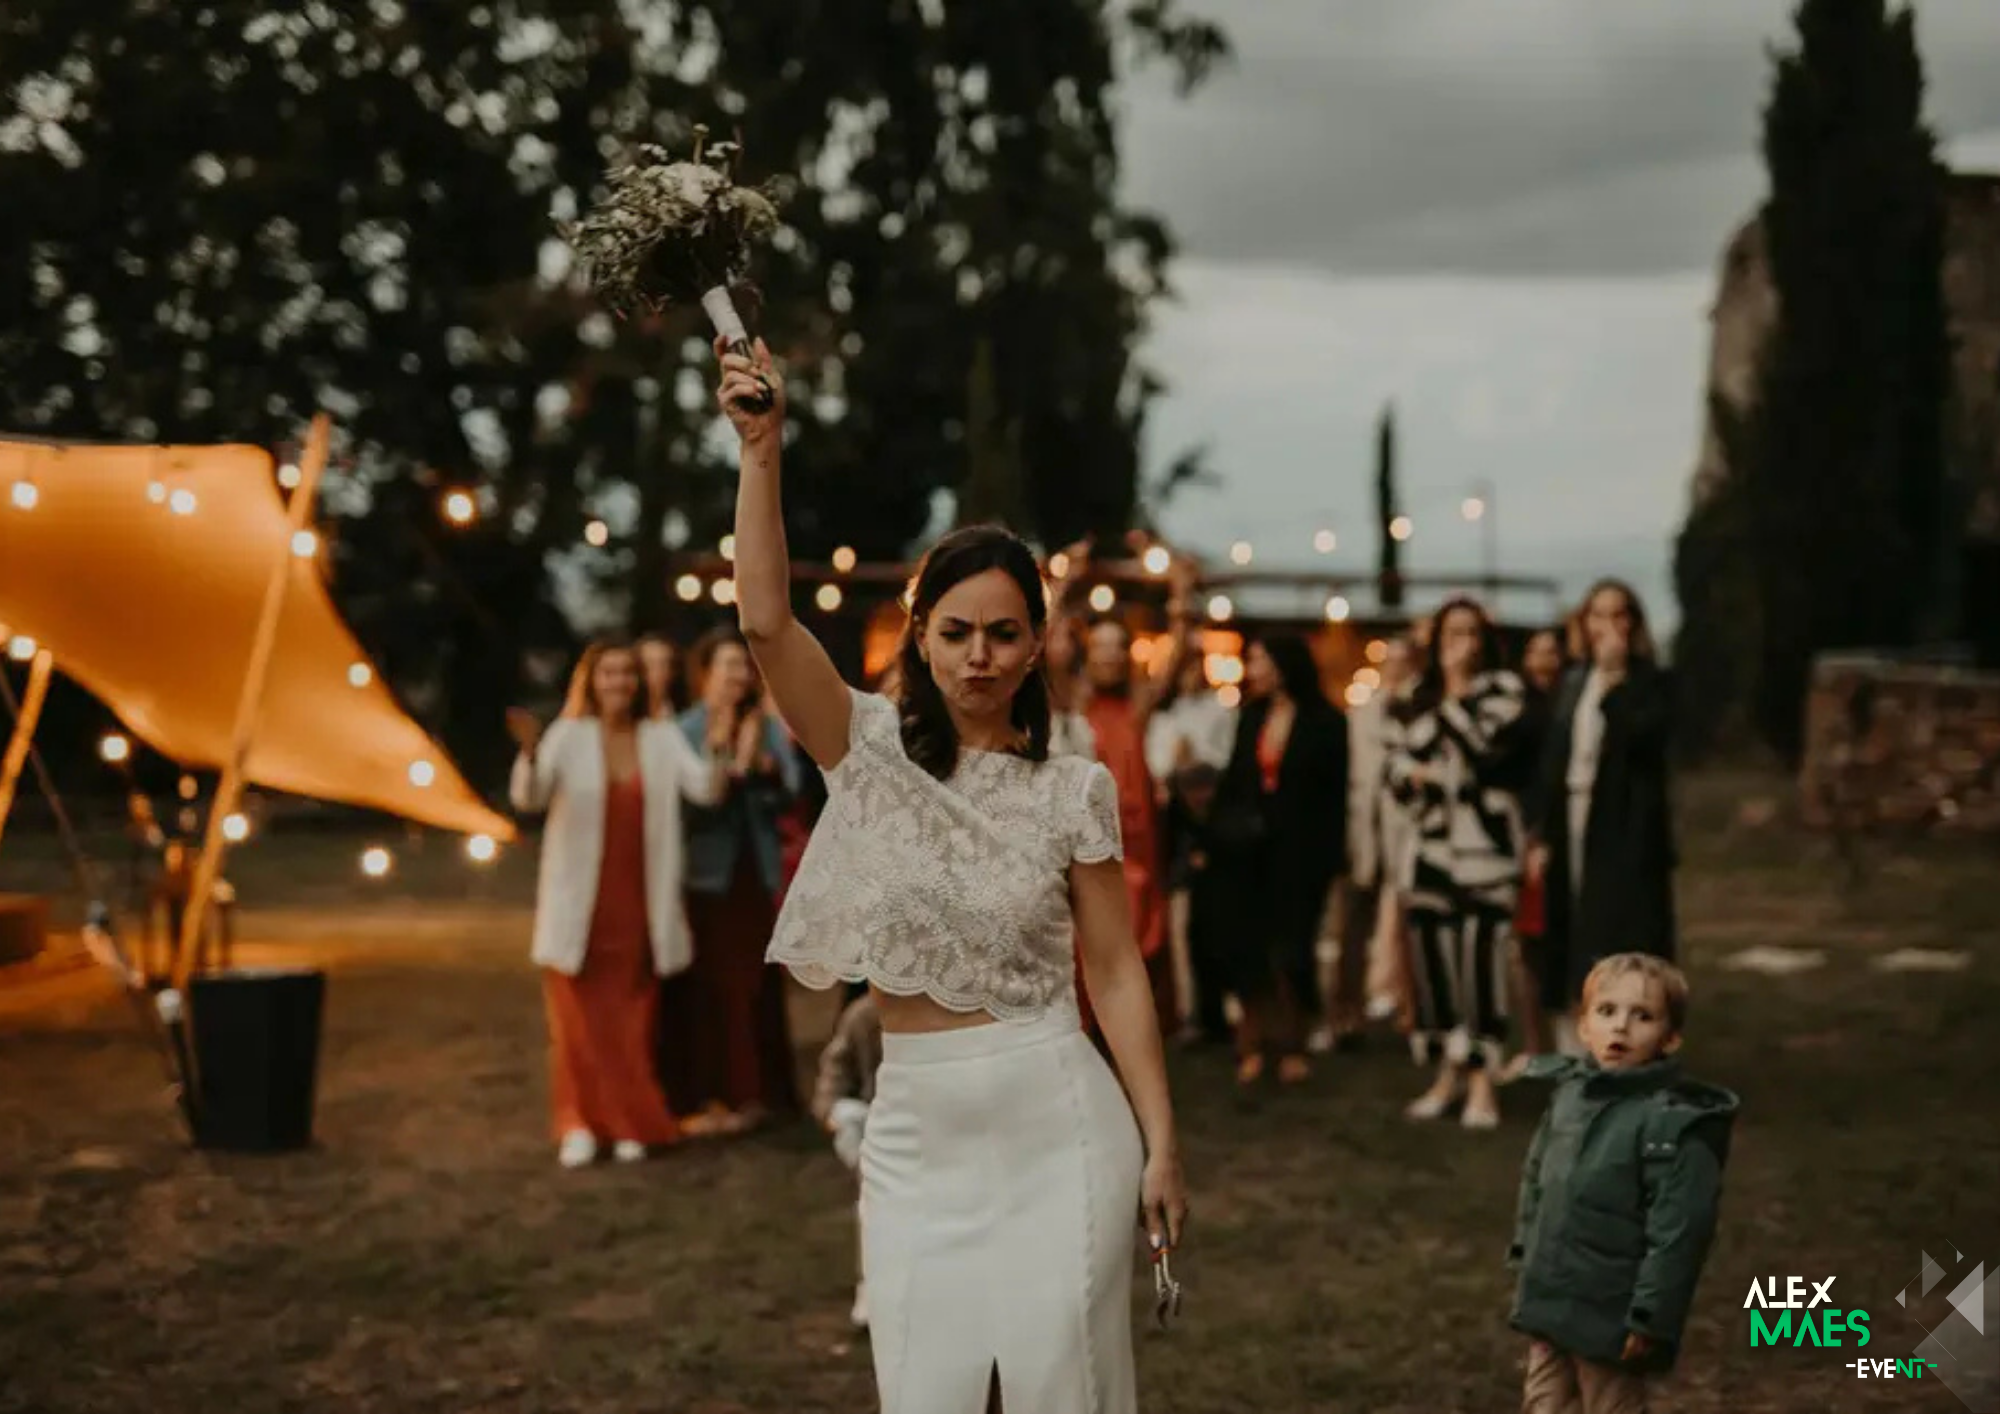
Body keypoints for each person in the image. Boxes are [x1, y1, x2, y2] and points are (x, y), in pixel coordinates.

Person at [717, 338, 1186, 1414]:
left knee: (1059, 1390)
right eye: (957, 630)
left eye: (1003, 633)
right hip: (915, 1132)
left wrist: (1163, 1143)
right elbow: (763, 621)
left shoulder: (1073, 789)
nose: (978, 654)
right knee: (923, 1394)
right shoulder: (864, 751)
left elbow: (1114, 972)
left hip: (1058, 1122)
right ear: (920, 638)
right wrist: (759, 451)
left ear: (1034, 648)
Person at [507, 639, 722, 1168]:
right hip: (578, 906)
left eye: (627, 674)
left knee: (630, 1026)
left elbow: (706, 791)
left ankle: (630, 1124)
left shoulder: (661, 737)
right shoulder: (568, 736)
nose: (619, 683)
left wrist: (716, 747)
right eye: (608, 674)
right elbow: (528, 799)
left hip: (639, 906)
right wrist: (531, 753)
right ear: (590, 681)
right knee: (577, 1027)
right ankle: (579, 1124)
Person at [1508, 953, 1738, 1413]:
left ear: (1670, 1038)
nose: (1621, 1028)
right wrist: (1525, 1257)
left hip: (1611, 1309)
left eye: (1643, 1016)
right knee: (1543, 1403)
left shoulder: (1673, 1127)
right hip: (1552, 1299)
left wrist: (1650, 1318)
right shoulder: (1569, 1098)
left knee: (1610, 1404)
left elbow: (1680, 1233)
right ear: (1583, 1026)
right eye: (1607, 1011)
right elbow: (1538, 1177)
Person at [1390, 598, 1532, 1130]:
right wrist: (1426, 773)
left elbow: (1481, 754)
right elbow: (1397, 768)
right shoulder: (1413, 696)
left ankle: (1482, 1083)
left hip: (1485, 853)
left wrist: (1452, 703)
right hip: (1427, 851)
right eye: (1452, 632)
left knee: (1481, 965)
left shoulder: (1504, 692)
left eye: (1471, 632)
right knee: (1435, 966)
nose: (1460, 642)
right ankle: (1448, 1074)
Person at [1526, 582, 1677, 1054]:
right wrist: (1539, 835)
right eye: (1597, 615)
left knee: (1615, 936)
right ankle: (1575, 1050)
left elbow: (1644, 742)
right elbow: (1554, 761)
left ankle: (1628, 1050)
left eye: (1618, 615)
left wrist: (1615, 685)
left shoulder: (1648, 682)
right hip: (1570, 818)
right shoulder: (1574, 684)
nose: (1607, 626)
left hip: (1622, 830)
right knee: (1566, 935)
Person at [670, 628, 803, 1132]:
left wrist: (764, 772)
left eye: (743, 668)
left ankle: (761, 1095)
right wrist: (723, 759)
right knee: (710, 985)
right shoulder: (685, 730)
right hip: (705, 873)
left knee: (755, 983)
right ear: (705, 673)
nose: (737, 677)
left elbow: (790, 792)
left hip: (754, 869)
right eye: (727, 667)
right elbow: (686, 806)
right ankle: (713, 1093)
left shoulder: (765, 726)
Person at [1212, 634, 1348, 1087]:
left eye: (1258, 659)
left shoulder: (1326, 722)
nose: (1251, 669)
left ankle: (1293, 1043)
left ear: (1283, 664)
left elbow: (1334, 799)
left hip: (1300, 855)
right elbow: (1234, 781)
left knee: (1294, 950)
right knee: (1249, 950)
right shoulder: (1251, 716)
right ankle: (1252, 1043)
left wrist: (1331, 858)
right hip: (1249, 855)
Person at [1331, 634, 1418, 1043]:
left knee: (1410, 924)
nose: (1396, 669)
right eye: (1391, 661)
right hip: (1364, 833)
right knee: (1352, 925)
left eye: (1403, 661)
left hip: (1407, 833)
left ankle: (1411, 1012)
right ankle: (1346, 1013)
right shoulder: (1362, 714)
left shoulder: (1421, 713)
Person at [812, 991, 884, 1330]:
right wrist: (832, 1112)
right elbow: (833, 1074)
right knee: (877, 1201)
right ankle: (872, 1288)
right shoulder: (864, 1016)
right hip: (879, 1127)